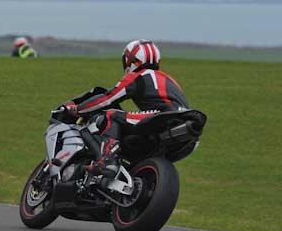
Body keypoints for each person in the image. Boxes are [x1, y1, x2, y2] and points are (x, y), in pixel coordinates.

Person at [61, 40, 190, 179]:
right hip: (186, 124)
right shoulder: (168, 78)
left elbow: (107, 99)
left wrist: (78, 109)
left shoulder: (138, 76)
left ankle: (107, 161)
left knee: (111, 115)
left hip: (164, 115)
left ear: (131, 60)